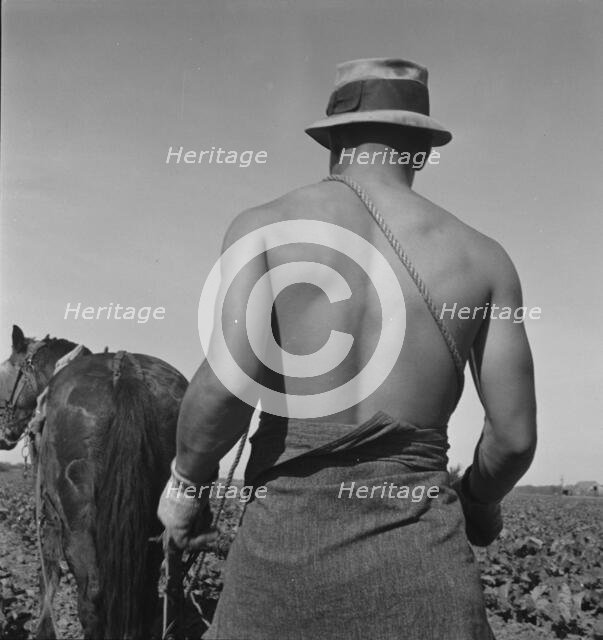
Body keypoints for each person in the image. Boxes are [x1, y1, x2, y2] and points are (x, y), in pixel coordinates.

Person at [158, 57, 537, 639]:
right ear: (423, 147)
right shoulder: (484, 259)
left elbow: (229, 386)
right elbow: (513, 438)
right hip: (424, 580)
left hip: (280, 574)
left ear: (333, 140)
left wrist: (186, 487)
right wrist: (480, 504)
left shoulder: (266, 226)